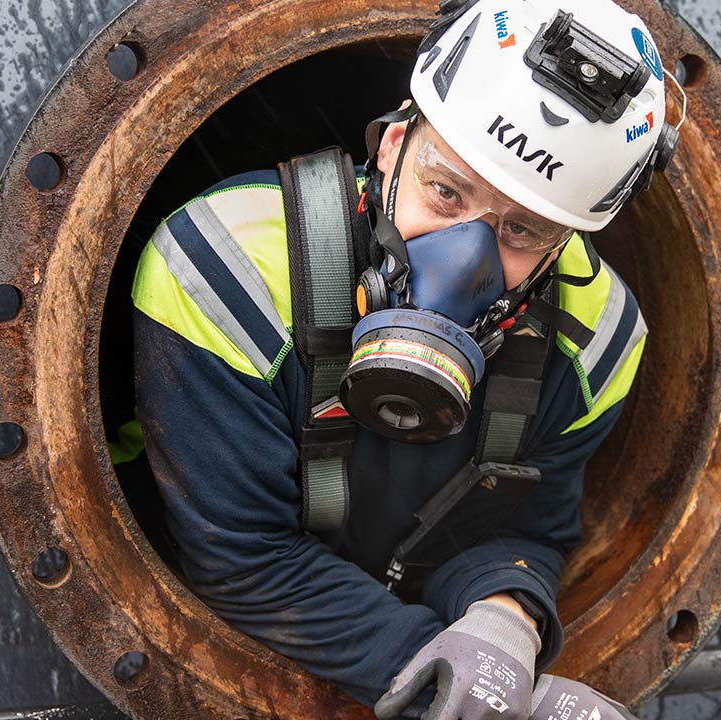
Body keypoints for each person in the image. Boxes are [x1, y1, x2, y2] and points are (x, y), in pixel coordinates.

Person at [128, 0, 680, 718]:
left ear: (563, 242)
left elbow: (520, 528)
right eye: (445, 191)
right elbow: (240, 557)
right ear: (392, 146)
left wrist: (507, 620)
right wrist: (462, 690)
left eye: (523, 230)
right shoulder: (226, 270)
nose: (469, 256)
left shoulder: (597, 344)